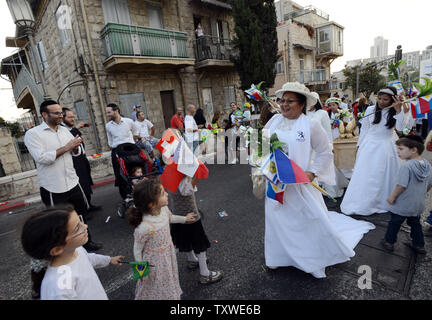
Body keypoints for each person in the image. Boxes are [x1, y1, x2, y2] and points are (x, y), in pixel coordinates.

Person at [263, 82, 374, 278]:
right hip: (276, 182)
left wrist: (312, 172)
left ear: (301, 104)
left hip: (300, 184)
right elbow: (261, 146)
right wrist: (261, 164)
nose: (284, 105)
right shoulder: (273, 122)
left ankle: (310, 258)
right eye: (282, 100)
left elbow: (325, 152)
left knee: (304, 220)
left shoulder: (310, 125)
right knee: (277, 219)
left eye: (290, 101)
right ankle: (278, 257)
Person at [24, 100, 102, 252]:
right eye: (57, 113)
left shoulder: (64, 130)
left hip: (73, 182)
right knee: (59, 223)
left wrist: (75, 148)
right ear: (44, 115)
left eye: (61, 113)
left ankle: (87, 244)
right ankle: (67, 252)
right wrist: (67, 147)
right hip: (53, 186)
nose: (61, 116)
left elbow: (75, 153)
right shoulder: (33, 134)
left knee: (81, 216)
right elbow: (42, 158)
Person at [21, 204, 124, 299]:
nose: (85, 226)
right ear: (57, 249)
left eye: (80, 221)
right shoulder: (58, 287)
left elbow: (89, 258)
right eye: (77, 228)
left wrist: (109, 260)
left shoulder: (76, 250)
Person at [340, 86, 409, 216]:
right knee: (367, 174)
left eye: (386, 99)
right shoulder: (371, 109)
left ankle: (384, 200)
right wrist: (359, 146)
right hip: (369, 145)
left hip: (386, 146)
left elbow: (401, 128)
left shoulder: (395, 111)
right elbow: (365, 129)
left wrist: (399, 111)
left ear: (392, 99)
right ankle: (365, 201)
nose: (382, 102)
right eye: (380, 99)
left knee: (384, 174)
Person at [126, 178, 197, 299]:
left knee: (168, 278)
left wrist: (184, 219)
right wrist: (141, 273)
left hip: (167, 254)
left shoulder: (163, 209)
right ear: (151, 204)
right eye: (163, 194)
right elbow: (137, 250)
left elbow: (170, 218)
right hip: (155, 262)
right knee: (154, 285)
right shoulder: (144, 227)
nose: (167, 194)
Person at [381, 135, 432, 254]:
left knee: (394, 223)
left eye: (401, 149)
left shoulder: (406, 166)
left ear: (414, 150)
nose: (398, 152)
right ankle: (419, 245)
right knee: (415, 224)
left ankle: (389, 242)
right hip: (418, 204)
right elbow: (429, 184)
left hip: (403, 204)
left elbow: (401, 186)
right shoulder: (427, 165)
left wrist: (392, 196)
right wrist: (420, 194)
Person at [171, 175, 223, 284]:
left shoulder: (172, 174)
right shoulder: (182, 176)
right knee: (199, 242)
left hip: (178, 213)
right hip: (191, 216)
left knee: (185, 238)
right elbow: (186, 191)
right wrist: (197, 177)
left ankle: (192, 260)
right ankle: (205, 274)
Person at [62, 108, 101, 212]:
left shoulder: (71, 129)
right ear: (63, 118)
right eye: (69, 117)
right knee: (81, 185)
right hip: (75, 162)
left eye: (73, 117)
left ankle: (89, 205)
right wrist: (77, 127)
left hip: (82, 159)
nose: (72, 119)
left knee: (87, 182)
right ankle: (83, 209)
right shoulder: (62, 130)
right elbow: (70, 137)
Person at [106, 103, 140, 199]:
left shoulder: (128, 121)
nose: (107, 115)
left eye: (109, 112)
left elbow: (136, 132)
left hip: (130, 150)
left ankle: (138, 193)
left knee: (134, 172)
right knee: (120, 176)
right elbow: (110, 140)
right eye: (106, 113)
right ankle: (126, 197)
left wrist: (133, 142)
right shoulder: (108, 126)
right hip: (117, 151)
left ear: (116, 111)